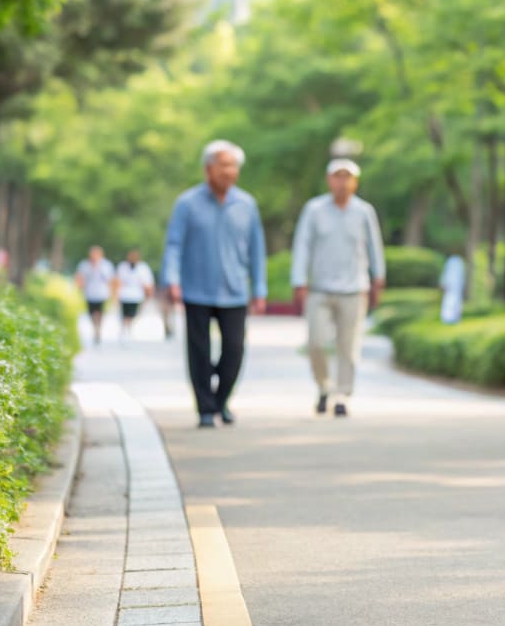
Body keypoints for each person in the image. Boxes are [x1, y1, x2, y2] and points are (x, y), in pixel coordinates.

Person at [163, 141, 268, 428]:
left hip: (234, 290)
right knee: (198, 351)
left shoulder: (246, 205)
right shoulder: (187, 203)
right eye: (224, 165)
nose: (229, 171)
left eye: (233, 165)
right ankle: (205, 409)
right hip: (196, 288)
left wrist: (259, 288)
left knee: (234, 349)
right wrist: (171, 279)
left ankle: (221, 400)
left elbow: (257, 251)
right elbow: (174, 245)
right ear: (208, 168)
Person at [291, 158, 386, 417]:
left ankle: (343, 394)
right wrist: (299, 280)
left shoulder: (364, 211)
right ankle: (324, 386)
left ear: (355, 182)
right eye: (337, 176)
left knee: (349, 345)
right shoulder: (314, 209)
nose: (342, 182)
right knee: (316, 342)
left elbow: (374, 247)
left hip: (354, 288)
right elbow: (302, 246)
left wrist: (378, 277)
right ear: (329, 180)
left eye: (348, 177)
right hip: (319, 288)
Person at [75, 245, 116, 345]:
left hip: (102, 294)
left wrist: (113, 294)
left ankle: (98, 329)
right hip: (89, 293)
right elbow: (79, 278)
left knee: (100, 313)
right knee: (92, 313)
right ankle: (95, 327)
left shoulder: (106, 265)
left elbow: (111, 280)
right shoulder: (84, 265)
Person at [116, 248, 155, 339]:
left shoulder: (143, 268)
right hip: (124, 295)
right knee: (124, 314)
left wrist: (148, 296)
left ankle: (128, 329)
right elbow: (118, 281)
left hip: (136, 296)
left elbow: (147, 283)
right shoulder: (123, 267)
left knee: (132, 314)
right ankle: (125, 330)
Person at [438, 252, 465, 325]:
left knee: (453, 301)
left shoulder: (456, 261)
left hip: (455, 286)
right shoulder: (456, 261)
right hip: (452, 285)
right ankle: (448, 318)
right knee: (450, 301)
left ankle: (452, 318)